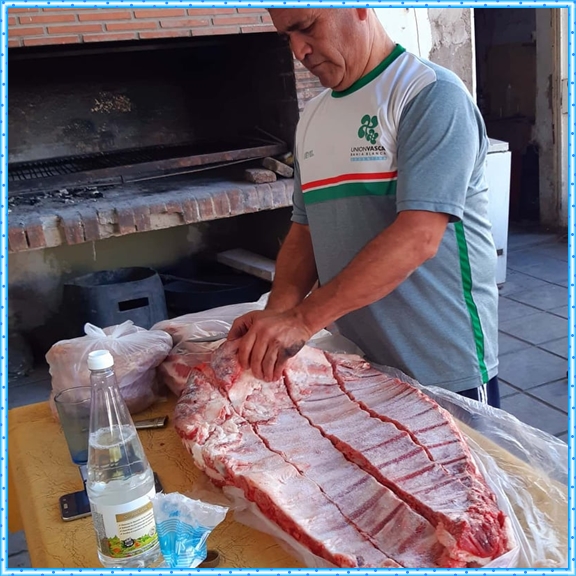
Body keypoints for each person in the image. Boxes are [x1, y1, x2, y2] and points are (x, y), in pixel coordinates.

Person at [227, 8, 500, 407]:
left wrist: (302, 320)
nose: (298, 51)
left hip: (441, 368)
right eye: (287, 37)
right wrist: (278, 314)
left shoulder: (429, 94)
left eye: (307, 27)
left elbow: (419, 236)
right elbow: (305, 231)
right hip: (358, 365)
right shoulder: (313, 118)